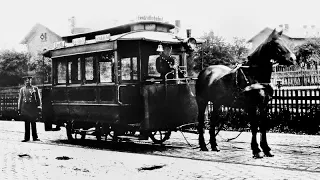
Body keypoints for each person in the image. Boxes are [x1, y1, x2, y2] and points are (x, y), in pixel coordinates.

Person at [18, 76, 42, 142]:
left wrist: (39, 106)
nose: (27, 81)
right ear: (24, 82)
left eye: (29, 80)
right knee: (26, 123)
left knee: (33, 123)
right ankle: (26, 138)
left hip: (33, 108)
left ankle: (35, 137)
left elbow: (38, 98)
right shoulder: (22, 89)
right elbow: (20, 99)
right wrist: (19, 108)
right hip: (25, 108)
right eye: (26, 80)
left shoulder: (35, 88)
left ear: (31, 81)